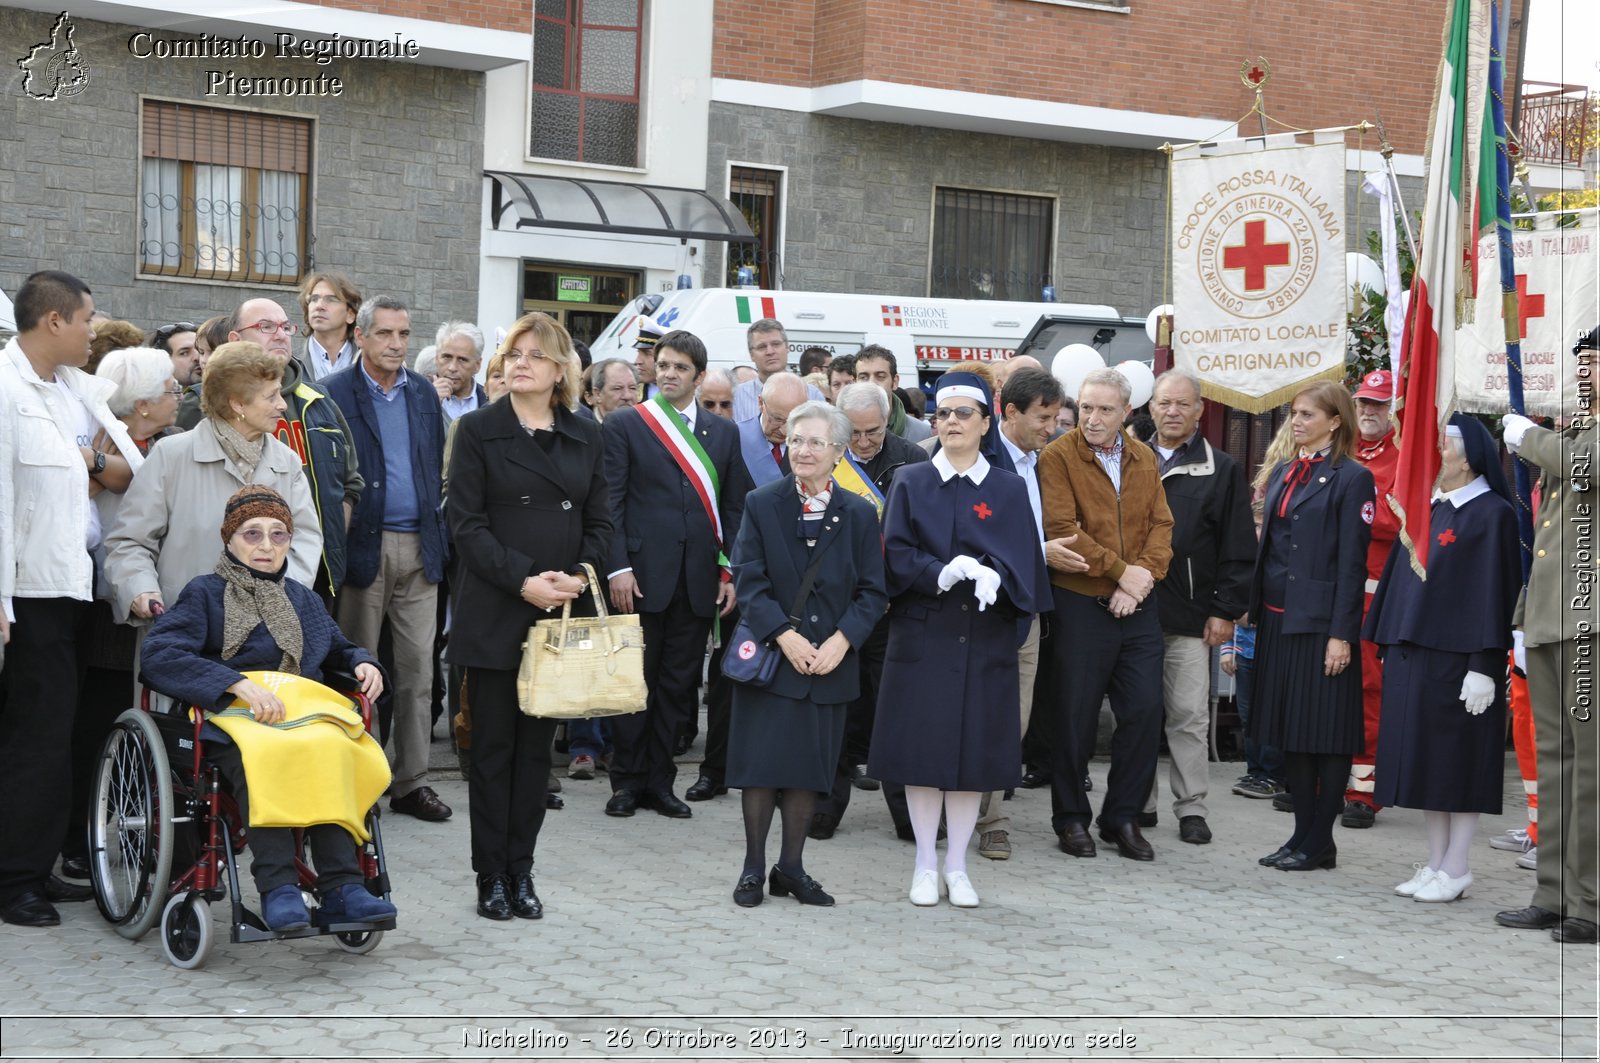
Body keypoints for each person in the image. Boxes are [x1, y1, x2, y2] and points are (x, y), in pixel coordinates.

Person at [139, 485, 396, 931]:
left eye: (278, 535)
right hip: (233, 719)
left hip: (299, 714)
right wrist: (234, 683)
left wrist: (364, 663)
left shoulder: (302, 598)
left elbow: (339, 649)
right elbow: (160, 653)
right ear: (230, 538)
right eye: (252, 533)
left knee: (333, 748)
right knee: (267, 756)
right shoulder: (204, 593)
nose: (265, 546)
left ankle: (341, 886)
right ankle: (279, 887)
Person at [446, 312, 610, 921]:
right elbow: (465, 526)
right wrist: (522, 579)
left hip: (558, 617)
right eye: (513, 353)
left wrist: (578, 575)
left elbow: (600, 521)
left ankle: (522, 871)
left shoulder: (586, 434)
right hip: (496, 609)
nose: (519, 363)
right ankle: (490, 874)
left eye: (534, 355)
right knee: (492, 751)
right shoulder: (477, 430)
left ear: (560, 370)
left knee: (536, 757)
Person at [869, 373, 1050, 907]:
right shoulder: (911, 481)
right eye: (943, 413)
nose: (951, 422)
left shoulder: (1008, 487)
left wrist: (996, 572)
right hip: (924, 636)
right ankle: (926, 861)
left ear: (985, 423)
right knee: (924, 756)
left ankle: (957, 865)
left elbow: (1026, 561)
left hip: (984, 639)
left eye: (963, 413)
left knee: (972, 759)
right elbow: (893, 554)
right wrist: (938, 573)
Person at [0, 270, 141, 928]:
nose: (93, 331)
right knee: (33, 736)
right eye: (87, 318)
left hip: (74, 583)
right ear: (54, 321)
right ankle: (14, 881)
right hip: (27, 592)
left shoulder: (73, 392)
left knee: (58, 735)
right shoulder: (6, 388)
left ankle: (40, 862)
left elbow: (127, 469)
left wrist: (92, 461)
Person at [725, 401, 887, 907]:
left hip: (829, 664)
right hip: (774, 661)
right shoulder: (762, 501)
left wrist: (842, 641)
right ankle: (753, 869)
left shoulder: (860, 513)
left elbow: (873, 592)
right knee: (762, 768)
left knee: (806, 770)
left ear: (839, 451)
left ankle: (790, 869)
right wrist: (783, 635)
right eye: (797, 440)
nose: (804, 450)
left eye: (817, 441)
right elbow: (749, 579)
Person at [1363, 414, 1519, 903]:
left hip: (1461, 660)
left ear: (1469, 455)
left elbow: (1496, 592)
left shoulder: (1493, 513)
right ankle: (1434, 861)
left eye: (1444, 446)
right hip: (1417, 653)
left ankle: (1458, 865)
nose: (1436, 455)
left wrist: (1486, 664)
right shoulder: (1431, 507)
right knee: (1425, 763)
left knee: (1458, 762)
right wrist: (1389, 638)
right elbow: (1401, 583)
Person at [603, 329, 751, 818]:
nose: (668, 374)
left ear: (699, 376)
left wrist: (728, 572)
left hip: (698, 580)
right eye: (663, 365)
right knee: (633, 683)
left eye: (680, 368)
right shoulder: (626, 424)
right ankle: (626, 782)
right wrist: (618, 566)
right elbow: (610, 504)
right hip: (640, 578)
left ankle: (661, 782)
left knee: (676, 686)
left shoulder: (723, 432)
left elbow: (732, 510)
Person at [321, 296, 450, 824]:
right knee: (359, 671)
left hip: (420, 548)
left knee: (419, 673)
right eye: (386, 335)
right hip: (362, 550)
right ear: (361, 337)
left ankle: (412, 783)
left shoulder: (421, 391)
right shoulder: (332, 394)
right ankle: (360, 780)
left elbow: (433, 463)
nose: (397, 345)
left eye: (404, 334)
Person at [1037, 368, 1173, 863]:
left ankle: (1123, 817)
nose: (1092, 419)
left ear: (1127, 412)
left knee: (1142, 712)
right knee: (1074, 716)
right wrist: (1121, 572)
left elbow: (1162, 525)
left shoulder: (1144, 457)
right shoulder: (1057, 456)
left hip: (1136, 604)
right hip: (1080, 603)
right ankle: (1071, 818)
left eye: (1105, 410)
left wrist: (1140, 580)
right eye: (1087, 407)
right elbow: (1061, 527)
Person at [1496, 326, 1599, 944]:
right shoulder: (1574, 436)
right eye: (1582, 363)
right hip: (1551, 619)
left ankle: (1589, 902)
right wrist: (1524, 616)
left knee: (1588, 768)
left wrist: (1527, 437)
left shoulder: (1574, 447)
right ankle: (1555, 893)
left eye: (1596, 364)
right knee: (1557, 767)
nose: (1584, 373)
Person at [105, 342, 323, 627]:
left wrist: (280, 599)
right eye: (271, 396)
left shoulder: (288, 462)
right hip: (182, 632)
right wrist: (141, 590)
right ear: (237, 404)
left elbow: (305, 540)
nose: (282, 404)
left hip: (266, 634)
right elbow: (129, 542)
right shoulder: (172, 456)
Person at [1250, 380, 1373, 873]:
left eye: (1307, 414)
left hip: (1321, 627)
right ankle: (1301, 834)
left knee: (1324, 736)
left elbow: (1351, 564)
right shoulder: (1285, 470)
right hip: (1279, 620)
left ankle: (1320, 840)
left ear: (1335, 421)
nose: (1297, 422)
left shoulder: (1351, 478)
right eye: (1294, 414)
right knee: (1290, 734)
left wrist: (1342, 633)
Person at [809, 381, 931, 841]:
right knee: (838, 713)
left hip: (893, 609)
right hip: (838, 611)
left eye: (873, 432)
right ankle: (825, 807)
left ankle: (907, 813)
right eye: (854, 433)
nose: (863, 442)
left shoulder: (912, 460)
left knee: (895, 714)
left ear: (888, 421)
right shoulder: (824, 459)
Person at [976, 366, 1084, 861]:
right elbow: (972, 541)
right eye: (1043, 418)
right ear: (1011, 412)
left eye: (1058, 418)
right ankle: (981, 819)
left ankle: (988, 813)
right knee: (978, 719)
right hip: (981, 614)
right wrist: (1039, 552)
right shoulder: (976, 458)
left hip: (1030, 615)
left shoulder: (1052, 461)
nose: (1052, 427)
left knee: (1012, 725)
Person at [1142, 369, 1255, 845]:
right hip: (1130, 609)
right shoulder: (1128, 458)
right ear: (1151, 408)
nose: (1172, 412)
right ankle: (1136, 802)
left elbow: (1237, 546)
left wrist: (1225, 609)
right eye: (1164, 403)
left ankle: (1192, 809)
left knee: (1188, 716)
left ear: (1198, 411)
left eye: (1182, 404)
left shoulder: (1222, 468)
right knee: (1138, 714)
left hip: (1189, 618)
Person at [1345, 369, 1402, 828]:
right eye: (1364, 402)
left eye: (1379, 404)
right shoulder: (1341, 449)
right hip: (1332, 593)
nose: (1369, 411)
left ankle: (1363, 792)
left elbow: (1391, 521)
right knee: (1327, 687)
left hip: (1370, 595)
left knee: (1367, 691)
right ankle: (1324, 780)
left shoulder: (1402, 458)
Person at [731, 319, 826, 422]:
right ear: (751, 354)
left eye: (776, 344)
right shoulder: (736, 398)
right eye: (762, 347)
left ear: (787, 347)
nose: (770, 352)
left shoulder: (812, 394)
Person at [854, 345, 931, 442]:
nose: (871, 384)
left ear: (895, 382)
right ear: (854, 382)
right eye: (863, 377)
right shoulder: (842, 429)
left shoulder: (921, 433)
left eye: (880, 376)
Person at [297, 271, 362, 381]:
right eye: (314, 299)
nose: (319, 306)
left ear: (350, 315)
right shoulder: (292, 363)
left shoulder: (369, 363)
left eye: (331, 300)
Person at [433, 321, 487, 424]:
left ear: (477, 365)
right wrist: (430, 403)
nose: (452, 368)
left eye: (462, 360)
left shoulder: (490, 401)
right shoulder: (418, 398)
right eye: (446, 357)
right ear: (436, 359)